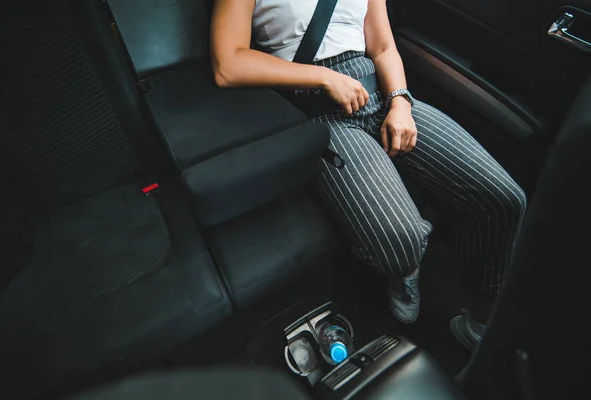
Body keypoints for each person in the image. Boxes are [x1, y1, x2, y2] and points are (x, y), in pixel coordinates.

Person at [210, 0, 526, 346]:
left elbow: (382, 46)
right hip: (318, 109)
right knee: (401, 245)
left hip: (382, 95)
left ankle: (481, 321)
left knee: (504, 199)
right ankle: (405, 268)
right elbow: (229, 63)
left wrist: (401, 102)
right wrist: (324, 77)